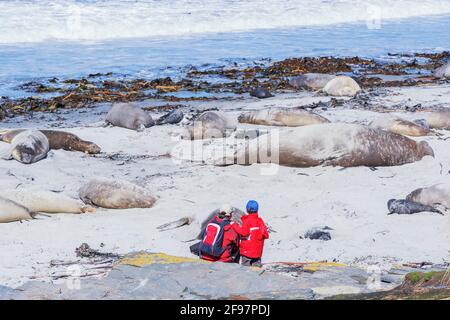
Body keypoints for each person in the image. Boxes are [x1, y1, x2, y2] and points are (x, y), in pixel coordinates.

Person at [231, 200, 268, 267]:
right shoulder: (260, 221)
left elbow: (243, 233)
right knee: (256, 270)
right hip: (257, 253)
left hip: (247, 252)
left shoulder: (247, 221)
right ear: (257, 209)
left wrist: (234, 225)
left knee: (246, 270)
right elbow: (266, 235)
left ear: (247, 209)